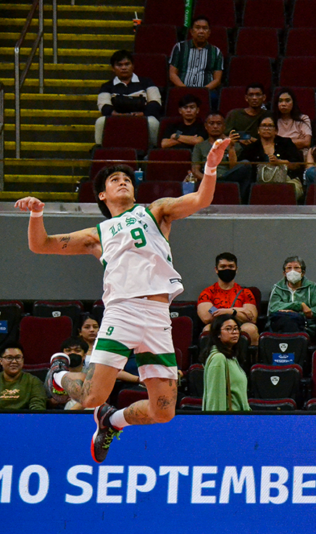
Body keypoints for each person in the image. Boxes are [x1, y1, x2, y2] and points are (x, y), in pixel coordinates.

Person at [15, 138, 232, 463]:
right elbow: (41, 244)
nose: (122, 181)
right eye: (114, 179)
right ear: (102, 194)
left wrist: (211, 166)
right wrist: (37, 213)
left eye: (127, 178)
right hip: (123, 311)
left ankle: (112, 421)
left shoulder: (155, 211)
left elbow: (202, 198)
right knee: (91, 395)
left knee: (164, 411)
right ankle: (58, 375)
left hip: (159, 315)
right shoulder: (98, 233)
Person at [95, 50, 162, 147]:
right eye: (119, 65)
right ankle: (101, 151)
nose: (123, 68)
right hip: (117, 118)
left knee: (153, 122)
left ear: (133, 66)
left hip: (142, 117)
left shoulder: (147, 82)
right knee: (100, 122)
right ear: (113, 68)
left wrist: (141, 114)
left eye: (127, 64)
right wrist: (119, 115)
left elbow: (155, 103)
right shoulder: (106, 86)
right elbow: (104, 107)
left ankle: (152, 152)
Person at [196, 252, 260, 347]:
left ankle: (250, 361)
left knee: (251, 328)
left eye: (231, 266)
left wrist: (229, 311)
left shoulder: (245, 292)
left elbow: (252, 318)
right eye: (223, 266)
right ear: (216, 269)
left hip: (239, 326)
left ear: (236, 269)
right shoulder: (207, 292)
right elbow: (207, 317)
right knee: (207, 329)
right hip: (218, 326)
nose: (227, 269)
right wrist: (240, 310)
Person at [240, 116, 306, 203]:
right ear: (258, 130)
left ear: (276, 130)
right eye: (263, 125)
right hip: (260, 182)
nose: (267, 128)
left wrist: (279, 162)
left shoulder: (286, 143)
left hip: (287, 179)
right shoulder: (251, 148)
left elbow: (297, 165)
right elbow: (240, 168)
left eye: (270, 126)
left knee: (289, 190)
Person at [192, 112, 252, 202]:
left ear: (224, 126)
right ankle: (218, 181)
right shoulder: (199, 146)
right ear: (206, 126)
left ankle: (241, 203)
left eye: (219, 124)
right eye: (211, 123)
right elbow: (195, 170)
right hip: (208, 179)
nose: (215, 126)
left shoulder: (235, 145)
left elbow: (234, 168)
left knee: (246, 164)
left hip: (228, 179)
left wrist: (231, 147)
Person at [168, 15, 224, 111]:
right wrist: (184, 89)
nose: (201, 31)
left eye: (205, 28)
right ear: (192, 31)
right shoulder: (180, 48)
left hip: (206, 91)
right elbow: (172, 74)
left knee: (214, 98)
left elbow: (217, 80)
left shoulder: (216, 52)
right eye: (197, 28)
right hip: (182, 88)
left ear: (209, 32)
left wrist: (202, 91)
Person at [201, 314, 251, 412]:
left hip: (238, 420)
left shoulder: (232, 358)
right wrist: (218, 423)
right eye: (228, 329)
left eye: (236, 329)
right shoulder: (218, 358)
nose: (234, 332)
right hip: (227, 422)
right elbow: (215, 399)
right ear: (218, 334)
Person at [267, 256, 316, 336]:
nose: (292, 271)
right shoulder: (277, 288)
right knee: (286, 321)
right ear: (284, 273)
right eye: (289, 268)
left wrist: (299, 314)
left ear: (303, 273)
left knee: (290, 320)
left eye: (296, 268)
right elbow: (273, 308)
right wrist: (300, 305)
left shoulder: (312, 287)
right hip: (278, 327)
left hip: (306, 327)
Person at [0, 343, 46, 411]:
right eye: (9, 358)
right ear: (1, 361)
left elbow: (38, 408)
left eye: (18, 358)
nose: (14, 362)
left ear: (23, 360)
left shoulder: (33, 381)